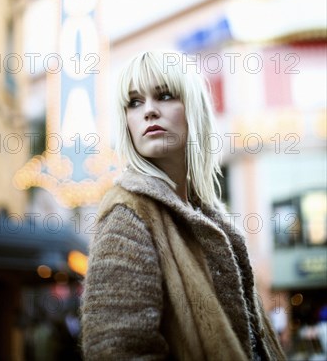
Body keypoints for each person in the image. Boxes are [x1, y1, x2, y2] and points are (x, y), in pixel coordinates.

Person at [81, 50, 286, 360]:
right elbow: (117, 352)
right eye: (134, 102)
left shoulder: (212, 218)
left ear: (194, 108)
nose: (148, 111)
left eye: (164, 96)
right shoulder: (128, 215)